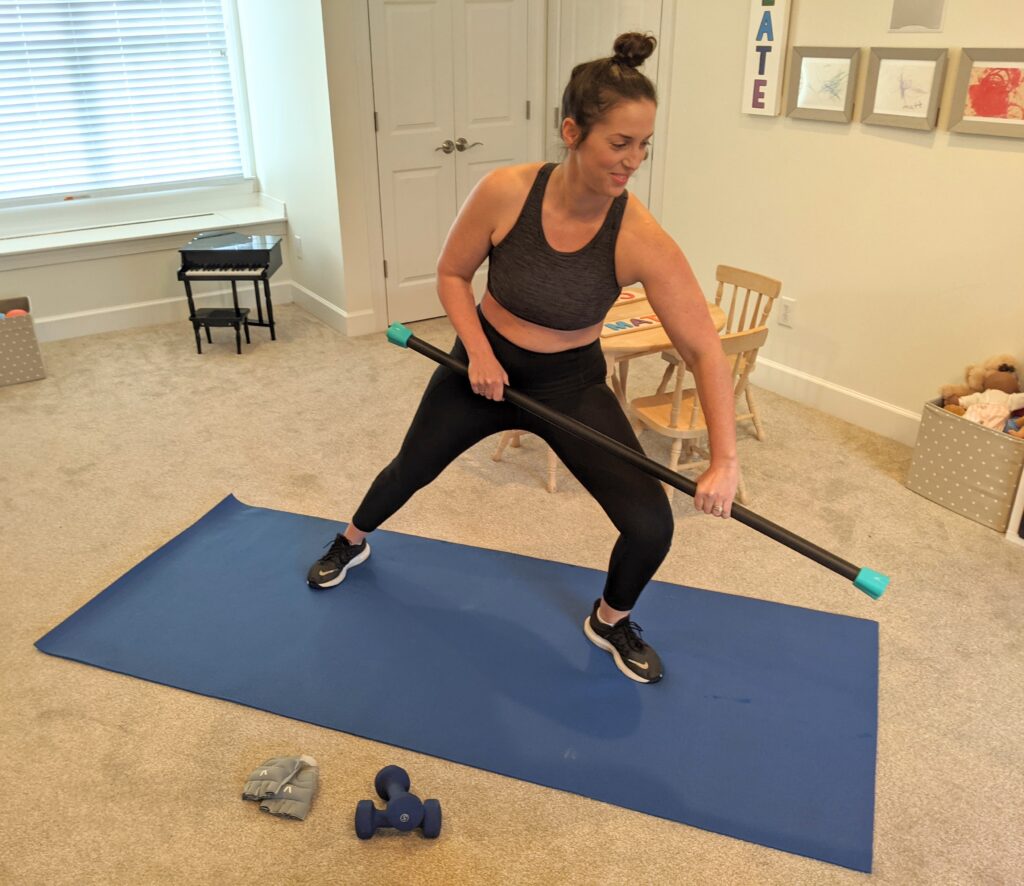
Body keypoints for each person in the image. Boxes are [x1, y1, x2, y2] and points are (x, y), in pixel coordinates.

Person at [307, 33, 739, 684]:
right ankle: (352, 539)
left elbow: (705, 348)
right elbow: (452, 275)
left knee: (650, 525)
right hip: (482, 366)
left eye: (644, 144)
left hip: (571, 383)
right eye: (619, 143)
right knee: (410, 469)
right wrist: (479, 354)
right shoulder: (506, 193)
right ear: (572, 131)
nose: (633, 161)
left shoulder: (640, 237)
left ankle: (610, 620)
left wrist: (726, 462)